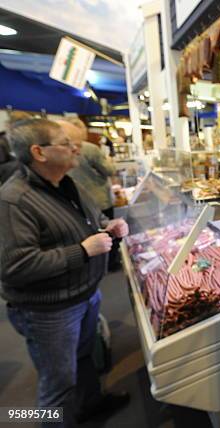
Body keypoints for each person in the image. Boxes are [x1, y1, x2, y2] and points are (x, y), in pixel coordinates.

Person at [0, 119, 130, 427]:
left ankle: (90, 405)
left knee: (85, 359)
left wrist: (106, 225)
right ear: (39, 152)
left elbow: (89, 218)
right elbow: (14, 266)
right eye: (65, 143)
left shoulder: (68, 182)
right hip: (50, 310)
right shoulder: (13, 200)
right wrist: (83, 251)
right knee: (57, 385)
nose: (75, 148)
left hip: (84, 295)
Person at [58, 119, 120, 270]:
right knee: (105, 237)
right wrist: (83, 251)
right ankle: (109, 264)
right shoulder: (91, 149)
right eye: (72, 145)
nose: (77, 151)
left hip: (85, 203)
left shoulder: (65, 182)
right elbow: (109, 170)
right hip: (98, 198)